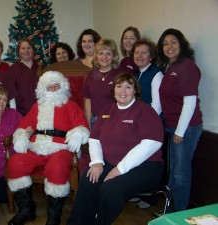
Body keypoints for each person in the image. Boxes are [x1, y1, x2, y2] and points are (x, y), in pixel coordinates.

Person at [67, 73, 164, 225]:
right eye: (119, 86)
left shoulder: (145, 111)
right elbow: (94, 138)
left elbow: (152, 143)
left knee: (110, 189)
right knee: (88, 178)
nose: (123, 91)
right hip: (112, 162)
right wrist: (97, 162)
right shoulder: (108, 110)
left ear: (135, 91)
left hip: (145, 167)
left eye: (128, 87)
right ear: (113, 90)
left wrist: (120, 169)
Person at [7, 71, 90, 225]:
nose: (52, 90)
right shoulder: (36, 107)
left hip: (60, 148)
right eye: (49, 87)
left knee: (57, 168)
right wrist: (21, 136)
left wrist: (78, 134)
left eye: (56, 86)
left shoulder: (70, 105)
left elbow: (82, 125)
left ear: (63, 87)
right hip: (36, 147)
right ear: (42, 89)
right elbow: (23, 126)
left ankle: (54, 217)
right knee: (15, 162)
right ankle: (26, 210)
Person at [157, 28, 203, 212]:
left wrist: (180, 131)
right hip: (172, 125)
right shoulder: (170, 67)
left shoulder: (187, 67)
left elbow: (190, 101)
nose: (169, 46)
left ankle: (179, 213)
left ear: (182, 44)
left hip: (186, 127)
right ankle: (169, 210)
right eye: (165, 43)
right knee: (174, 170)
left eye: (173, 42)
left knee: (180, 172)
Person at [82, 38, 126, 128]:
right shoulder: (90, 75)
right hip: (96, 121)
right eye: (101, 53)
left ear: (113, 56)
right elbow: (87, 100)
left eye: (108, 54)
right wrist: (88, 124)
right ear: (96, 56)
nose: (104, 57)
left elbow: (126, 99)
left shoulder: (120, 74)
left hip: (116, 120)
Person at [7, 39, 43, 116]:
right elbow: (11, 94)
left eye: (29, 48)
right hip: (21, 114)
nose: (26, 51)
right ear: (18, 51)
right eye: (23, 48)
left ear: (33, 50)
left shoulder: (41, 66)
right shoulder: (13, 70)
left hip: (41, 112)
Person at [133, 39, 163, 115]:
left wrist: (144, 122)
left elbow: (157, 107)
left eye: (144, 52)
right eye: (137, 52)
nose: (139, 55)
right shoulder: (136, 74)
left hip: (151, 121)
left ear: (151, 57)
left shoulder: (156, 74)